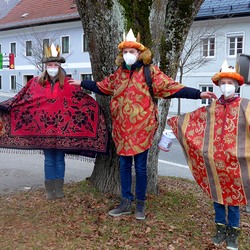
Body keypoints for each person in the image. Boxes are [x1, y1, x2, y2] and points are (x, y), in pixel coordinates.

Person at [69, 28, 216, 220]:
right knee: (123, 166)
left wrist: (198, 93)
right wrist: (81, 84)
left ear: (140, 53)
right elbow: (102, 87)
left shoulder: (150, 72)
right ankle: (125, 202)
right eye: (125, 52)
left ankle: (140, 205)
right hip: (122, 130)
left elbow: (171, 87)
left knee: (140, 167)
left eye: (132, 52)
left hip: (142, 129)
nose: (128, 55)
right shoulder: (118, 74)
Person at [0, 43, 108, 200]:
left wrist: (96, 110)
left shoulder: (69, 84)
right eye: (49, 64)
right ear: (45, 66)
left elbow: (81, 101)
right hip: (43, 131)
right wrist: (6, 106)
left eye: (55, 65)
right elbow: (22, 99)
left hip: (62, 130)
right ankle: (50, 190)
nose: (52, 67)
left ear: (59, 66)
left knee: (59, 159)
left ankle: (59, 188)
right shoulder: (35, 83)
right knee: (49, 160)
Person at [167, 60, 250, 250]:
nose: (226, 86)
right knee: (218, 198)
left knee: (234, 201)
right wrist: (173, 126)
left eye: (230, 83)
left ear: (236, 85)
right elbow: (193, 121)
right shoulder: (213, 108)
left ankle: (233, 234)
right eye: (223, 83)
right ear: (219, 85)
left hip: (236, 165)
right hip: (215, 164)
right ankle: (220, 229)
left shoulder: (246, 106)